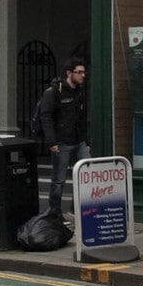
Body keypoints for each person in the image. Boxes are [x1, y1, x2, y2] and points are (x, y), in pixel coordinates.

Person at [37, 55, 90, 215]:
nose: (82, 75)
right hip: (62, 142)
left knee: (85, 174)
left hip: (79, 141)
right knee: (59, 180)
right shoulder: (55, 91)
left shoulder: (80, 92)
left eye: (84, 72)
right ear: (69, 73)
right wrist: (52, 141)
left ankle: (77, 210)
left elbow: (82, 118)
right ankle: (54, 212)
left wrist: (86, 140)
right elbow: (46, 116)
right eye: (79, 72)